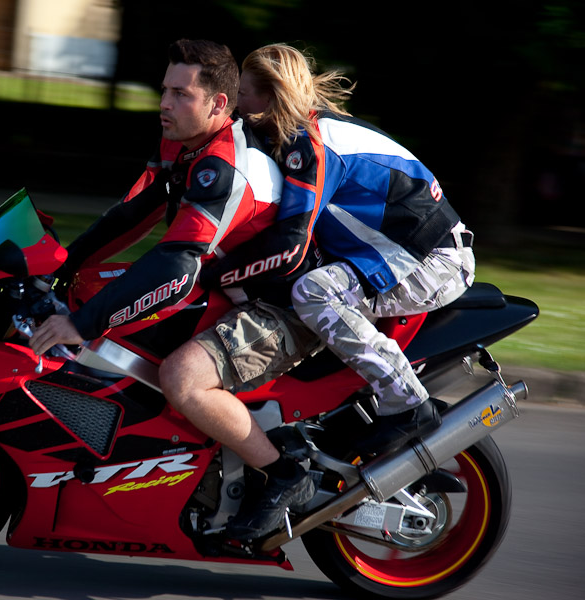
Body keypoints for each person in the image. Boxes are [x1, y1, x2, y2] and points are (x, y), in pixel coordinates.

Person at [165, 43, 477, 540]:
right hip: (397, 253)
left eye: (243, 94)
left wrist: (208, 276)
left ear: (270, 97)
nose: (236, 104)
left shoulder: (307, 143)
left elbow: (290, 243)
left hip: (433, 260)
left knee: (313, 291)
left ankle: (406, 402)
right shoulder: (305, 131)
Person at [29, 40, 315, 512]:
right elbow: (131, 215)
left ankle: (285, 476)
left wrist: (80, 325)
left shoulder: (224, 165)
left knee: (181, 378)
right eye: (165, 90)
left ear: (218, 104)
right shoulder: (181, 140)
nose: (164, 103)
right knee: (94, 292)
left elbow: (177, 266)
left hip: (282, 307)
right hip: (228, 287)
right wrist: (59, 270)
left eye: (181, 94)